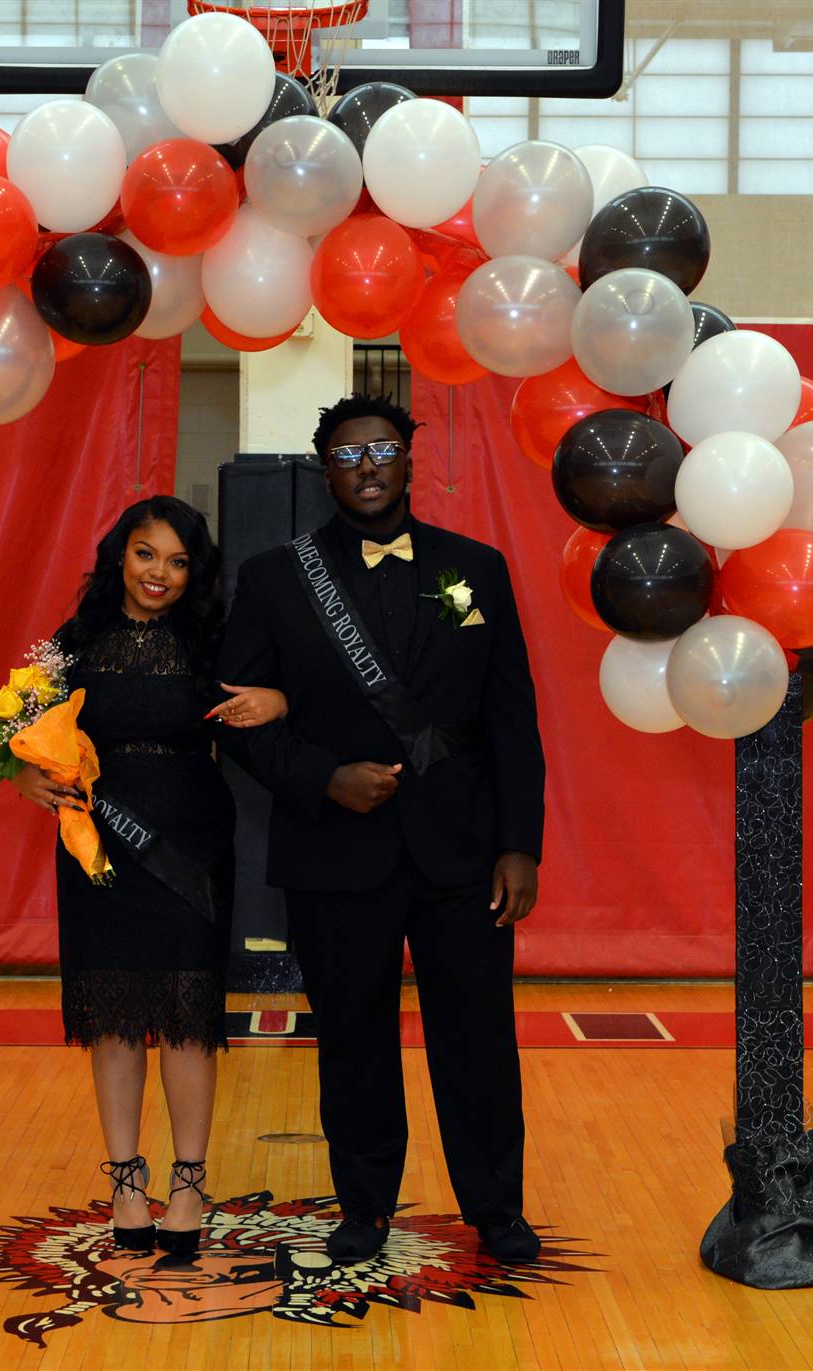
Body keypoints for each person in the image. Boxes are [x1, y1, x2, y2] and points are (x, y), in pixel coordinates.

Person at [216, 394, 546, 1266]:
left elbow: (511, 713)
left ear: (410, 461)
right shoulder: (274, 579)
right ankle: (364, 1208)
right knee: (355, 1040)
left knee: (476, 1037)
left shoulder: (474, 567)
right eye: (348, 453)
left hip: (464, 851)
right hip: (334, 851)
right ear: (327, 470)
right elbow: (237, 717)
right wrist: (323, 777)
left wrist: (521, 843)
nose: (367, 465)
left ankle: (497, 1208)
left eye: (383, 449)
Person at [10, 495, 287, 1259]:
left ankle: (190, 1182)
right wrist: (22, 776)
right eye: (144, 554)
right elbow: (19, 734)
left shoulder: (212, 643)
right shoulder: (73, 642)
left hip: (189, 848)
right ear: (119, 555)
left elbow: (271, 698)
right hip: (99, 850)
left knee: (188, 1019)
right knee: (114, 1017)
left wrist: (279, 696)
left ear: (193, 573)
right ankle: (127, 1182)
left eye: (176, 560)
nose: (158, 573)